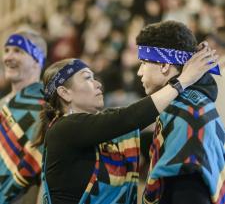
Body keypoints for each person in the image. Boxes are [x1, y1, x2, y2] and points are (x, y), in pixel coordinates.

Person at [34, 41, 217, 204]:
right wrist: (183, 80)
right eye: (88, 78)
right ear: (65, 93)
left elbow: (135, 123)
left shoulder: (97, 127)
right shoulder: (64, 129)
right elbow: (131, 117)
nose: (98, 84)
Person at [136, 21, 225, 204]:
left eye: (144, 63)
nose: (139, 72)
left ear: (164, 66)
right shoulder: (187, 102)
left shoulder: (187, 116)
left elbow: (189, 193)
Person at [0, 30, 47, 204]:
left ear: (37, 59)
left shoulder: (48, 108)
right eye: (6, 50)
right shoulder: (1, 104)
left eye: (18, 51)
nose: (8, 57)